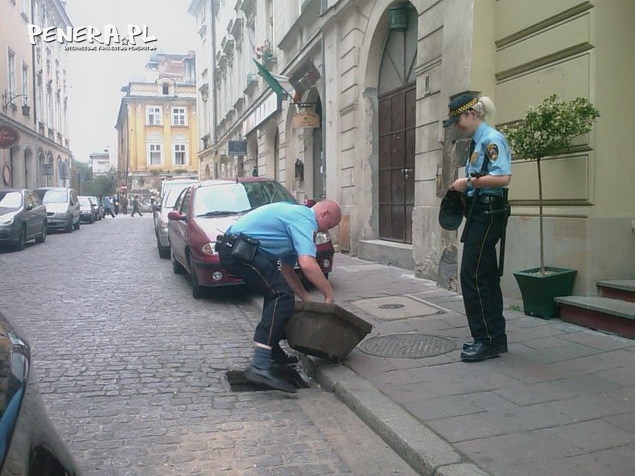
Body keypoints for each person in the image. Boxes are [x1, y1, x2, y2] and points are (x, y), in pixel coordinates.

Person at [218, 199, 342, 393]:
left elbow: (287, 270)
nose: (326, 231)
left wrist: (306, 299)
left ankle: (273, 350)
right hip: (239, 250)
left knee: (276, 293)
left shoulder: (295, 222)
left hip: (240, 248)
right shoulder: (304, 219)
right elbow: (307, 264)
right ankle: (259, 365)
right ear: (324, 213)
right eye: (330, 225)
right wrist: (329, 295)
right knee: (280, 296)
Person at [443, 92, 512, 362]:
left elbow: (503, 177)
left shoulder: (492, 139)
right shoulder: (477, 141)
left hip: (487, 213)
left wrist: (467, 183)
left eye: (458, 120)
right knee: (485, 276)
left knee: (472, 276)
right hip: (481, 213)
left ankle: (486, 340)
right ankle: (495, 337)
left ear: (472, 114)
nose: (457, 127)